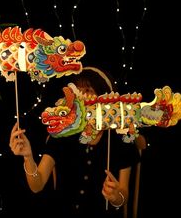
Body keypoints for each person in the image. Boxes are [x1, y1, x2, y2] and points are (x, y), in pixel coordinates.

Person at [9, 66, 141, 218]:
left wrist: (116, 197)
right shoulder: (62, 135)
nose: (83, 98)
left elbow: (122, 199)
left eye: (89, 91)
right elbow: (37, 185)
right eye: (78, 91)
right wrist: (28, 157)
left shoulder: (120, 140)